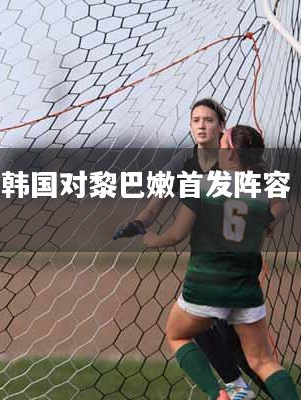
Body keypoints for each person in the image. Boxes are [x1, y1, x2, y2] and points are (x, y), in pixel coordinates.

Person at [114, 98, 265, 399]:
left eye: (208, 120)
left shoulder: (235, 158)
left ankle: (235, 388)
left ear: (222, 126)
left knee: (232, 346)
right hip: (207, 262)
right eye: (196, 120)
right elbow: (155, 206)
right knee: (215, 336)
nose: (201, 126)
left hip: (234, 264)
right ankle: (237, 388)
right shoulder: (181, 164)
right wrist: (138, 223)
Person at [142, 125, 296, 400]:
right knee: (264, 361)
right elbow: (279, 205)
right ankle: (238, 386)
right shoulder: (262, 188)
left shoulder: (203, 186)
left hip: (207, 283)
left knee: (177, 334)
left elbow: (176, 234)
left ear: (230, 153)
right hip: (245, 287)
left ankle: (219, 393)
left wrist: (151, 239)